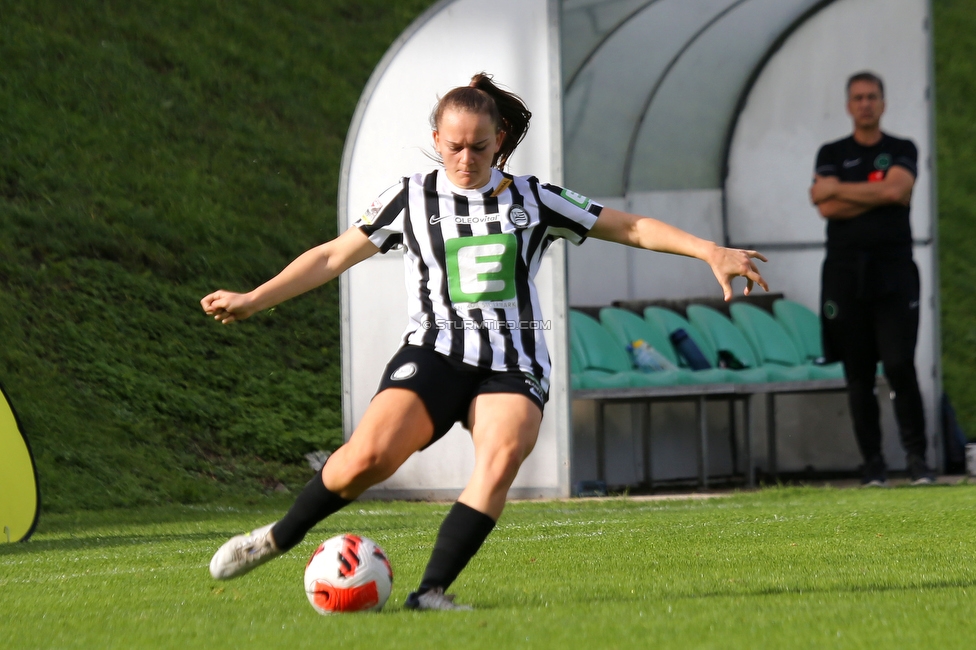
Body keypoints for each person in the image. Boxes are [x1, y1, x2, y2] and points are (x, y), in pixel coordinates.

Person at [202, 73, 769, 610]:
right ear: (435, 140)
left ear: (498, 140)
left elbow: (629, 226)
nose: (466, 159)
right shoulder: (409, 198)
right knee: (365, 461)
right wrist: (254, 299)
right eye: (454, 147)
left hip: (514, 360)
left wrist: (709, 251)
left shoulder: (535, 198)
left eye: (478, 147)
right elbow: (330, 256)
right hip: (434, 352)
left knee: (500, 457)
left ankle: (431, 592)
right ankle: (276, 538)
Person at [810, 71, 934, 487]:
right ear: (848, 105)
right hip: (845, 274)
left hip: (894, 272)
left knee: (899, 364)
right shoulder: (831, 151)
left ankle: (917, 460)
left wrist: (841, 189)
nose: (865, 103)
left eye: (872, 97)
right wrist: (874, 191)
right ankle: (874, 465)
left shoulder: (901, 148)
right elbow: (823, 208)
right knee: (858, 371)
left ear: (883, 103)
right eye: (858, 97)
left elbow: (895, 192)